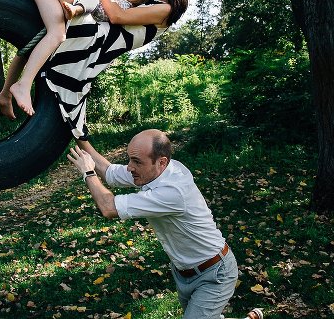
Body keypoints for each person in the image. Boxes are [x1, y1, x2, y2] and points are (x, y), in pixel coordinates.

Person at [0, 0, 189, 138]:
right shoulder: (153, 2)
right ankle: (6, 92)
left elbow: (116, 16)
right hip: (90, 27)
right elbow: (113, 1)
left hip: (89, 37)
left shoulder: (164, 10)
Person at [66, 129, 243, 319]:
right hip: (184, 272)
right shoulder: (155, 171)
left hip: (214, 273)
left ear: (161, 162)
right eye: (129, 159)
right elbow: (109, 172)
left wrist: (88, 172)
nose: (129, 167)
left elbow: (108, 207)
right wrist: (79, 133)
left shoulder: (173, 192)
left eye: (137, 162)